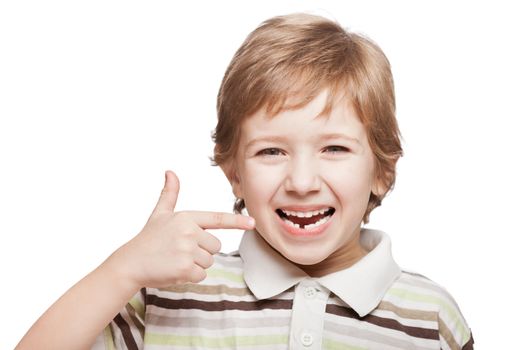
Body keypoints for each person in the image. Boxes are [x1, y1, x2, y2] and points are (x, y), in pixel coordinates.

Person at [16, 12, 473, 350]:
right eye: (271, 151)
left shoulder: (429, 316)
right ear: (235, 174)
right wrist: (124, 269)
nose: (301, 180)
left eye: (334, 148)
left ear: (382, 169)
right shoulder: (170, 293)